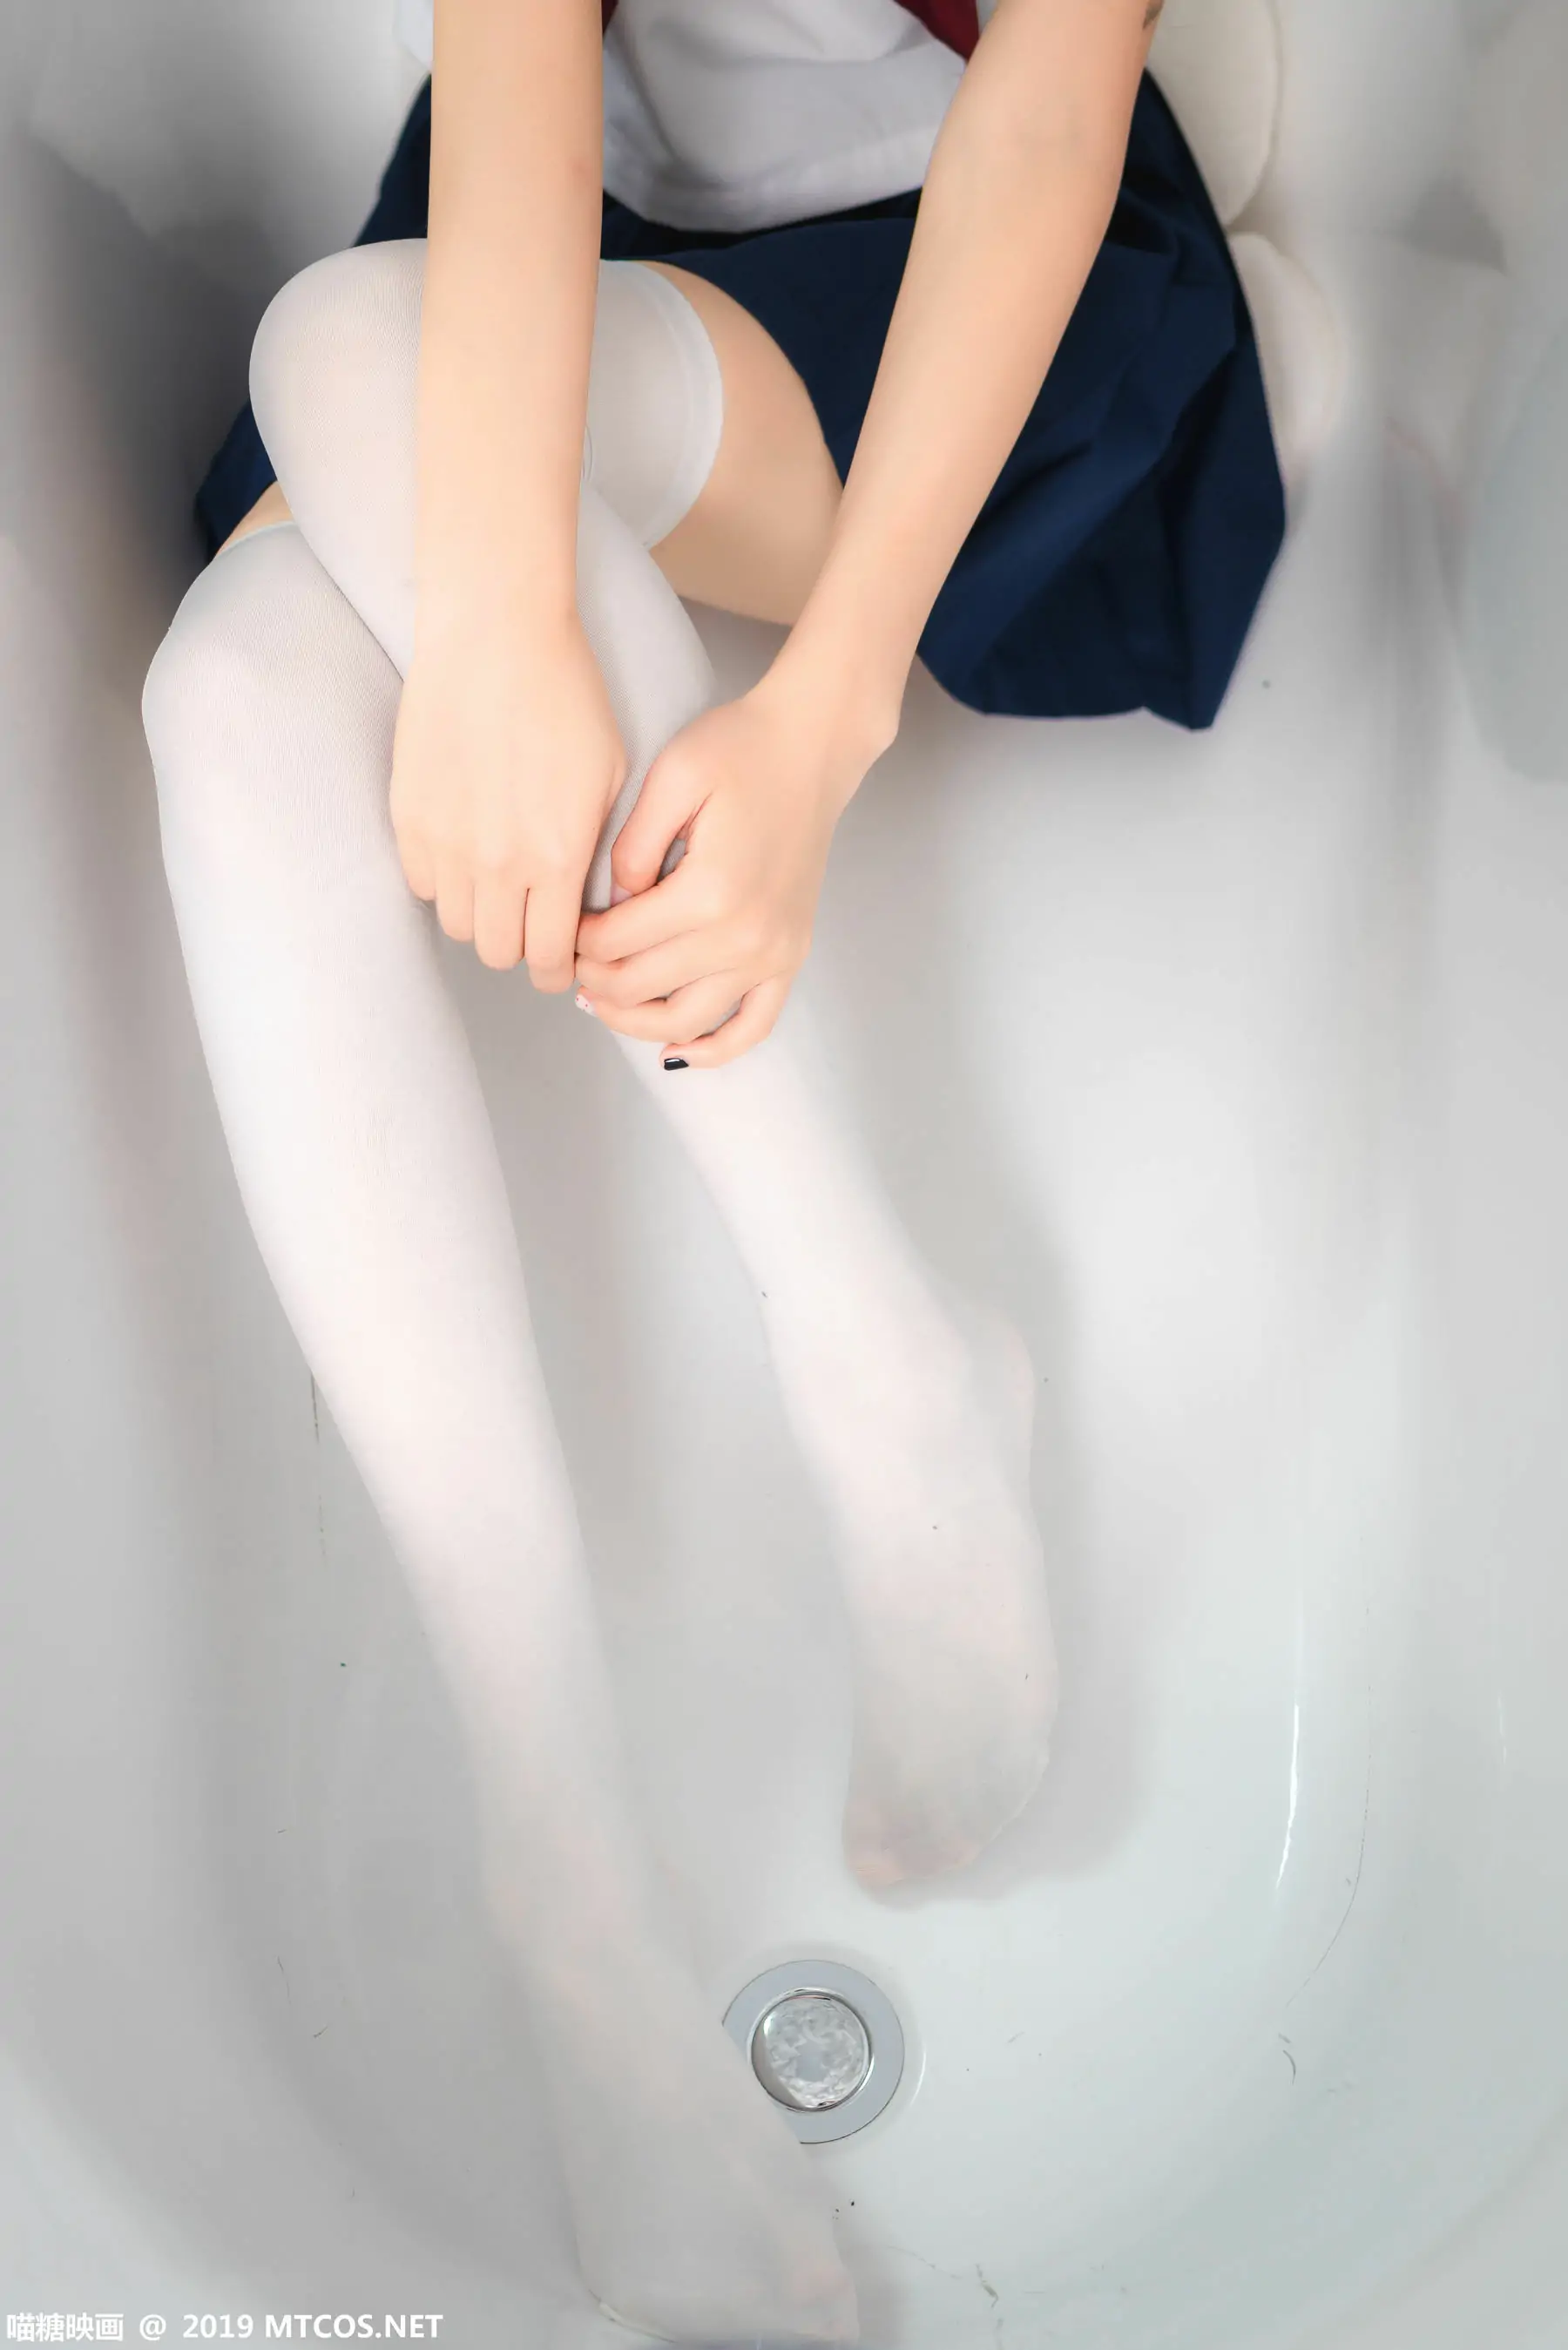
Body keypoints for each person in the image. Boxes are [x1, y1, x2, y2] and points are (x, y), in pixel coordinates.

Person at [139, 3, 1308, 2339]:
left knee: (346, 351)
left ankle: (885, 1372)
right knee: (238, 696)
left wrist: (823, 717)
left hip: (957, 258)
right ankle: (557, 1853)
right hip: (567, 219)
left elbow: (1048, 114)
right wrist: (488, 629)